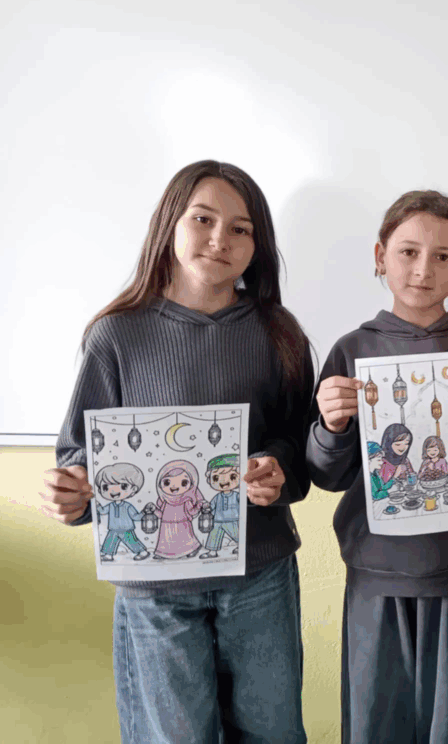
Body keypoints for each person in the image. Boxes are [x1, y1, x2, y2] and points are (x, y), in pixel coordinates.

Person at [39, 160, 314, 743]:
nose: (220, 239)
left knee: (274, 732)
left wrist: (277, 469)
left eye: (240, 228)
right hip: (154, 589)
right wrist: (74, 489)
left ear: (257, 245)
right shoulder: (115, 334)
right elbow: (80, 453)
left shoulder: (279, 332)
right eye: (203, 219)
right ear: (169, 223)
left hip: (258, 572)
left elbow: (297, 440)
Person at [307, 189, 448, 743]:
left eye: (442, 256)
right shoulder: (351, 350)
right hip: (377, 573)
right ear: (380, 256)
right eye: (408, 252)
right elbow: (326, 474)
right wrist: (331, 426)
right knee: (373, 725)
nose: (423, 270)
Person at [94, 462, 150, 562]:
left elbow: (136, 517)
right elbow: (102, 511)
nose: (113, 491)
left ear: (133, 489)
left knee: (132, 541)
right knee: (110, 541)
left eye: (123, 486)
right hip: (113, 528)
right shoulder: (110, 505)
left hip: (126, 529)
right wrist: (97, 505)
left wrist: (144, 512)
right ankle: (108, 555)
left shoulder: (127, 506)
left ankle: (142, 552)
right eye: (106, 487)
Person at [201, 454, 241, 559]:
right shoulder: (217, 497)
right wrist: (206, 507)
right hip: (217, 520)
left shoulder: (237, 495)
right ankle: (212, 552)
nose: (224, 482)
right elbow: (211, 506)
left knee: (237, 535)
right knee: (214, 535)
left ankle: (241, 546)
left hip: (232, 519)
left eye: (232, 477)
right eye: (216, 478)